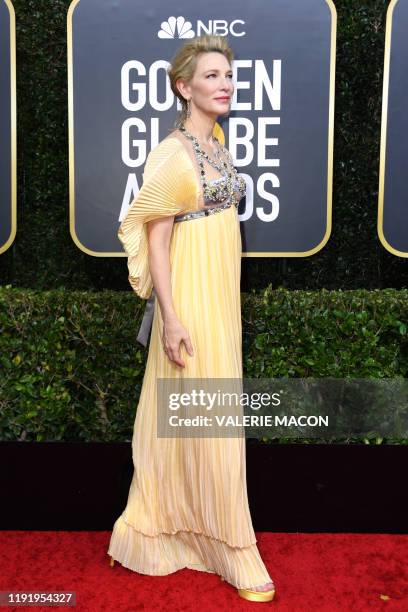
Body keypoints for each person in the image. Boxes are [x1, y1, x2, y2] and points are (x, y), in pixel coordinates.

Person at [107, 34, 276, 603]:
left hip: (220, 296)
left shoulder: (218, 142)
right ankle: (228, 546)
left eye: (228, 75)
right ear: (184, 87)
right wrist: (171, 319)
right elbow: (156, 239)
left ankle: (204, 537)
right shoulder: (172, 154)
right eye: (211, 76)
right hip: (190, 301)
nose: (225, 84)